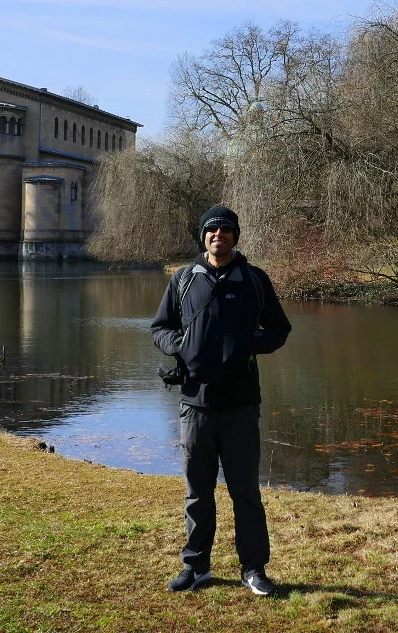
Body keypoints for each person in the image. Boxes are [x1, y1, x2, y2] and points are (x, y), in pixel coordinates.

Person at [150, 205, 291, 596]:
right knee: (197, 491)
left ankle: (254, 569)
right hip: (195, 405)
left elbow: (279, 328)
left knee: (245, 491)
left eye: (226, 229)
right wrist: (181, 346)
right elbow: (159, 328)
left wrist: (250, 345)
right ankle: (196, 567)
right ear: (203, 236)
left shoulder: (254, 279)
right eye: (212, 230)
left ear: (235, 236)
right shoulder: (183, 280)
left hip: (242, 404)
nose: (219, 235)